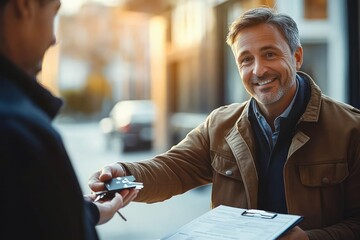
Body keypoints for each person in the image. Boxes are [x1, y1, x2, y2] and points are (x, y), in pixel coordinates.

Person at [89, 7, 360, 240]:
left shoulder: (350, 129)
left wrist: (311, 239)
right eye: (246, 60)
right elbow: (170, 168)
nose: (258, 70)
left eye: (269, 54)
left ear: (297, 57)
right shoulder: (220, 125)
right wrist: (122, 173)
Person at [0, 0, 138, 239]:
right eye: (53, 13)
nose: (53, 39)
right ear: (25, 6)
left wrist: (86, 211)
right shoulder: (21, 130)